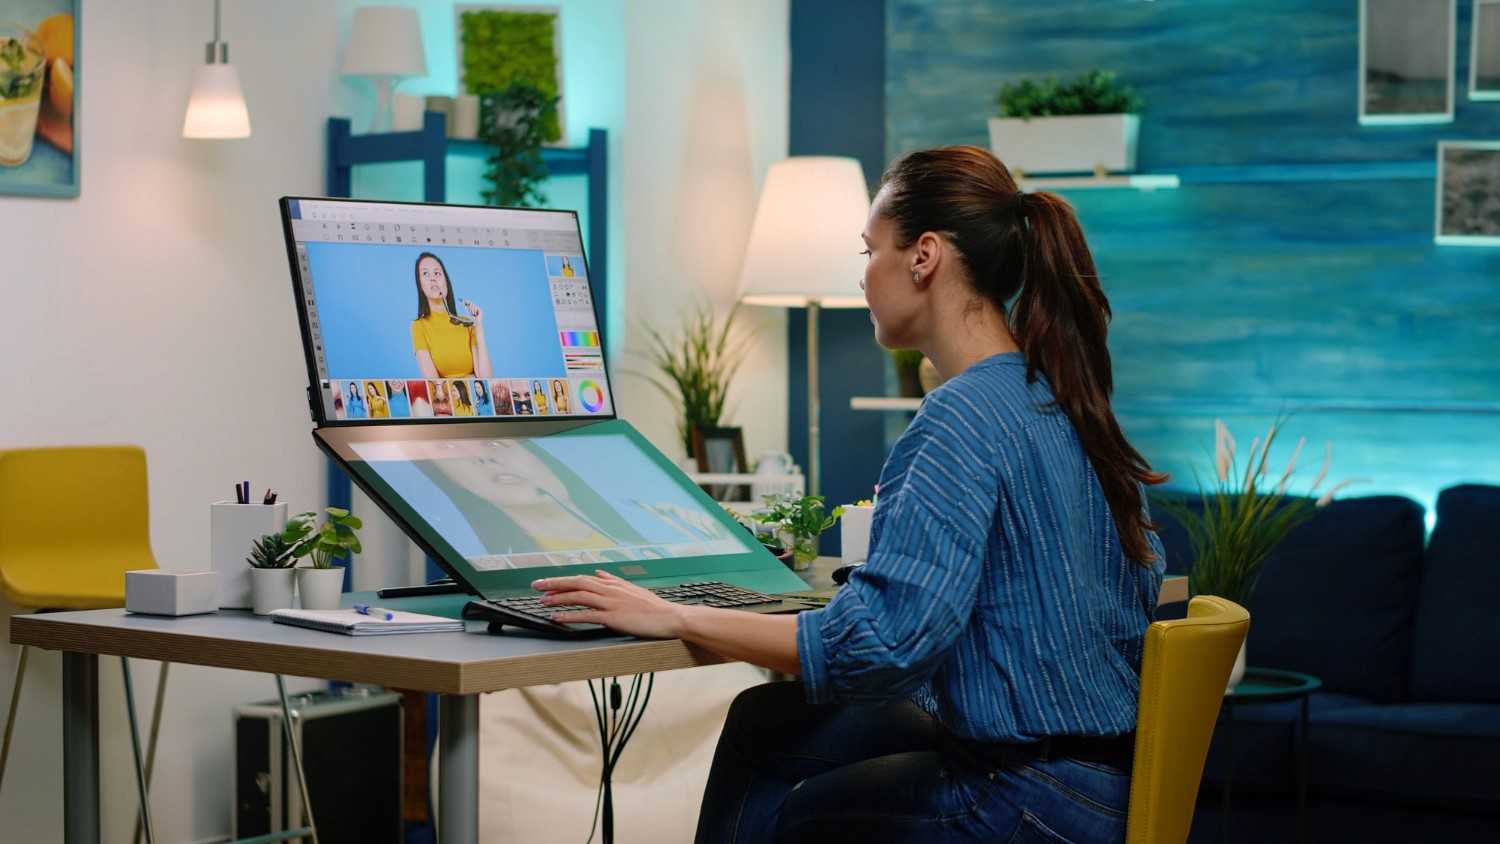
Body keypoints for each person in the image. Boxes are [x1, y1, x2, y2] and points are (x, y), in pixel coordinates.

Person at [532, 145, 1168, 843]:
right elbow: (1130, 583)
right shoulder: (1057, 400)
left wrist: (676, 617)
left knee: (799, 817)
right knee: (764, 727)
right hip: (1104, 782)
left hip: (1023, 798)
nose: (862, 277)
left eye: (869, 251)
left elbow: (882, 646)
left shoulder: (961, 417)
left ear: (924, 257)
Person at [411, 252, 493, 379]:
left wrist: (478, 327)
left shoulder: (467, 324)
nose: (433, 278)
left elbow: (486, 379)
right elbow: (434, 385)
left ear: (446, 282)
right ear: (420, 285)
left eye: (437, 273)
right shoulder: (418, 326)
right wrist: (471, 378)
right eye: (425, 273)